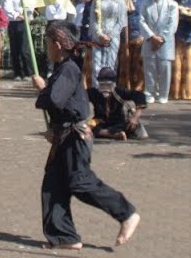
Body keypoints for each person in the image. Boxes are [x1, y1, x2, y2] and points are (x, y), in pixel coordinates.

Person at [32, 21, 139, 250]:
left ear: (58, 44)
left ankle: (126, 213)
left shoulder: (69, 68)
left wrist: (41, 89)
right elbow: (62, 106)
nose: (47, 47)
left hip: (75, 138)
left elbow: (54, 100)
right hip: (64, 135)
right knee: (54, 185)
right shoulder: (63, 67)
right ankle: (64, 236)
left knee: (80, 182)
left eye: (49, 43)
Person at [139, 0, 178, 104]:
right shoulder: (146, 4)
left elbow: (172, 24)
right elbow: (141, 21)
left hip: (165, 42)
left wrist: (161, 38)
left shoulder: (172, 4)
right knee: (149, 69)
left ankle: (163, 94)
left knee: (164, 69)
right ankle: (149, 93)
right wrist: (151, 37)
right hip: (150, 41)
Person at [88, 67, 147, 140]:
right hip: (100, 123)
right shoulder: (94, 93)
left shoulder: (119, 91)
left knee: (130, 125)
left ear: (113, 84)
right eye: (102, 85)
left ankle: (106, 133)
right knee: (84, 127)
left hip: (118, 123)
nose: (105, 88)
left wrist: (135, 117)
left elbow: (139, 95)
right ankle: (111, 134)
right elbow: (80, 96)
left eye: (108, 85)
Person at [0, 0, 32, 80]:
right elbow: (7, 9)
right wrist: (18, 15)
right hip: (13, 24)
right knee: (15, 49)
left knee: (24, 49)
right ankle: (17, 73)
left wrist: (25, 15)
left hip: (24, 24)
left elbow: (30, 9)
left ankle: (28, 73)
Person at [92, 0, 126, 79]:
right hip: (98, 36)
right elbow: (93, 19)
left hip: (113, 36)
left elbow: (121, 22)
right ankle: (97, 91)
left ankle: (109, 92)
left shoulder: (119, 1)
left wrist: (110, 36)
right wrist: (100, 34)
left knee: (111, 63)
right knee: (97, 64)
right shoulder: (97, 0)